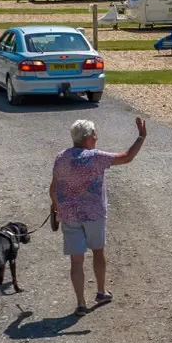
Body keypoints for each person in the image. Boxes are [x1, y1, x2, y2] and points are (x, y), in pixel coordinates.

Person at [49, 115, 147, 312]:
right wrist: (141, 136)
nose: (97, 136)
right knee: (98, 252)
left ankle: (80, 303)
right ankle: (101, 291)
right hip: (94, 214)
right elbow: (127, 156)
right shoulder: (95, 157)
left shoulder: (61, 158)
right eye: (94, 134)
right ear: (87, 138)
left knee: (76, 261)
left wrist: (55, 206)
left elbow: (53, 188)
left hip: (69, 215)